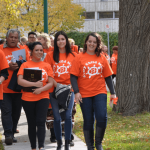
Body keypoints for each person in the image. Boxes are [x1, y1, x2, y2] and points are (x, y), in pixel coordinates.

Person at [70, 33, 116, 150]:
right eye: (90, 41)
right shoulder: (79, 57)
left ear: (97, 44)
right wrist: (76, 91)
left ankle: (98, 143)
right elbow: (73, 76)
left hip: (99, 92)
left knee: (102, 117)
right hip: (84, 94)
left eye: (94, 42)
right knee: (88, 120)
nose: (92, 44)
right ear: (86, 42)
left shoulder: (101, 57)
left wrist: (113, 92)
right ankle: (90, 146)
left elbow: (108, 76)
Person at [17, 42, 54, 150]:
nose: (39, 52)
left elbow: (51, 83)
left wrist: (40, 89)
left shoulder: (47, 66)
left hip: (43, 97)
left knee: (41, 122)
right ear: (31, 52)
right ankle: (33, 147)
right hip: (27, 98)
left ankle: (41, 147)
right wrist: (35, 85)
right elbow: (20, 81)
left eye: (41, 50)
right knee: (32, 123)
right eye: (37, 50)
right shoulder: (25, 65)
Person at [44, 31, 77, 150]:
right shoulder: (50, 55)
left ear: (66, 41)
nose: (61, 41)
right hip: (54, 90)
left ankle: (67, 143)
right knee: (57, 117)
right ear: (55, 42)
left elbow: (75, 74)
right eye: (58, 39)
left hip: (69, 90)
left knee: (67, 116)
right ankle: (59, 143)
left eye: (63, 39)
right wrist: (57, 86)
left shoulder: (73, 56)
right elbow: (48, 74)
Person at [0, 29, 30, 145]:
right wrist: (8, 67)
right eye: (11, 37)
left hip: (18, 87)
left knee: (16, 112)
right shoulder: (1, 49)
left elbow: (29, 66)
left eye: (15, 37)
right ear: (7, 38)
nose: (13, 39)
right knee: (6, 111)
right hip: (4, 87)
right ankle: (8, 134)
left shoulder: (23, 50)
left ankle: (12, 131)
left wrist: (19, 67)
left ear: (18, 39)